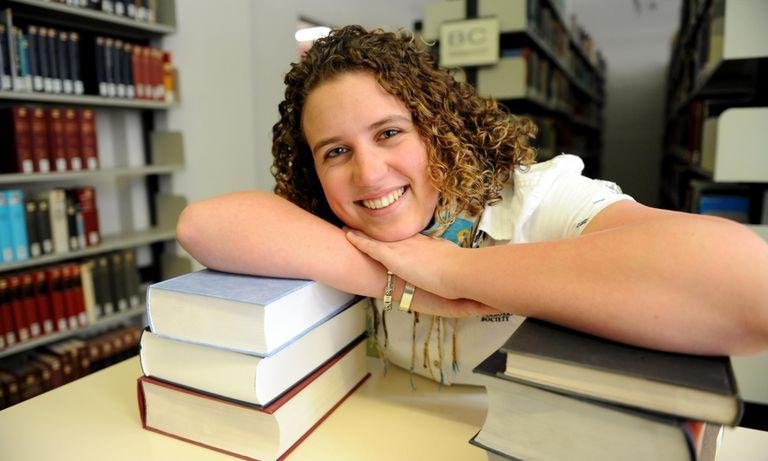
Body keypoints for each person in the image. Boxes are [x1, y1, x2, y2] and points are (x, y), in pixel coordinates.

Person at [177, 25, 768, 385]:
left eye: (389, 133)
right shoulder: (338, 224)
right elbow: (201, 225)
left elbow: (748, 286)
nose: (368, 173)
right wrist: (401, 284)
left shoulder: (537, 199)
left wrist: (454, 270)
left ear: (438, 128)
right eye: (335, 151)